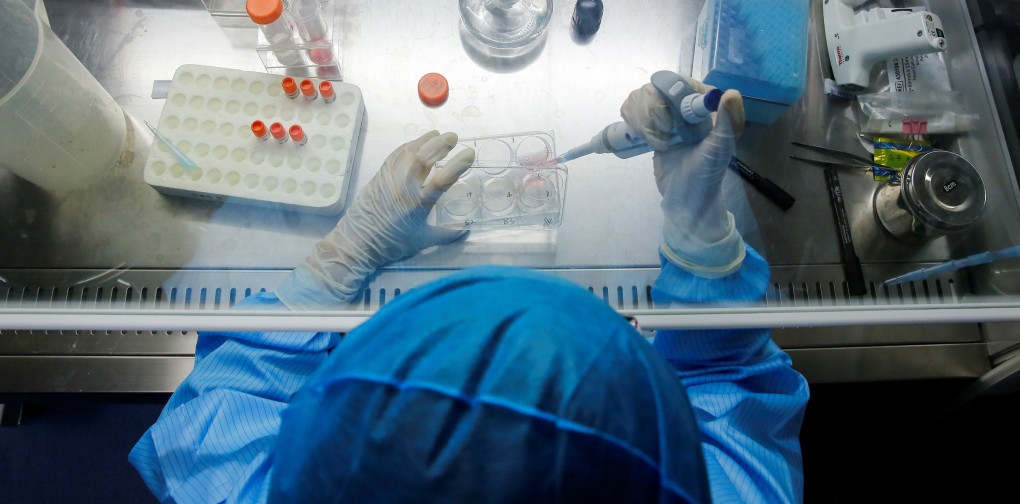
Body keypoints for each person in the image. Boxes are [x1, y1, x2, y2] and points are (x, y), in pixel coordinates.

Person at [129, 77, 809, 503]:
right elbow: (731, 382)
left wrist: (345, 257)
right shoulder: (734, 493)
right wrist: (699, 232)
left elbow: (219, 404)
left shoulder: (240, 486)